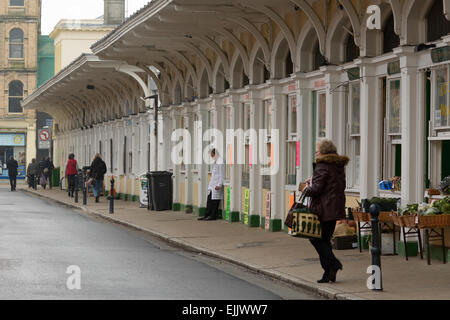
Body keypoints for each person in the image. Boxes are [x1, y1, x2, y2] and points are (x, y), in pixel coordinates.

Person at [301, 139, 349, 284]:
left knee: (315, 238)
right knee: (324, 240)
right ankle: (329, 273)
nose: (316, 153)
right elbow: (332, 185)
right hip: (334, 208)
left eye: (317, 150)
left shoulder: (322, 166)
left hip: (323, 209)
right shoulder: (338, 166)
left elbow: (316, 190)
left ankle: (333, 264)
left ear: (324, 152)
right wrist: (314, 180)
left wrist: (305, 188)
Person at [198, 149, 224, 221]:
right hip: (213, 184)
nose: (212, 157)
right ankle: (206, 215)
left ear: (216, 154)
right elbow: (213, 174)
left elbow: (222, 174)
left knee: (215, 201)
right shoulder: (215, 162)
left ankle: (213, 216)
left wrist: (219, 184)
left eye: (212, 155)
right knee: (209, 199)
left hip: (217, 185)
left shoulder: (220, 162)